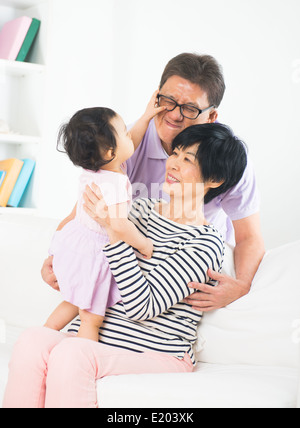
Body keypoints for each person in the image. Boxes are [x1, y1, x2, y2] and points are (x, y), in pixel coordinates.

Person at [3, 122, 247, 408]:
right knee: (32, 340)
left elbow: (142, 306)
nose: (174, 164)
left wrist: (116, 233)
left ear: (215, 179)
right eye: (176, 153)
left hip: (157, 353)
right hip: (99, 343)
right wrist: (58, 262)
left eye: (187, 159)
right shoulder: (138, 208)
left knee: (73, 354)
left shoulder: (205, 242)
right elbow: (88, 249)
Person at [41, 53, 265, 312]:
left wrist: (242, 285)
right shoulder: (124, 143)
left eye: (190, 108)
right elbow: (84, 209)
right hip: (132, 262)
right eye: (168, 101)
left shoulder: (226, 158)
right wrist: (54, 256)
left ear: (212, 116)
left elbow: (249, 236)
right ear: (156, 96)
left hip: (186, 265)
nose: (174, 115)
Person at [44, 104, 164, 341]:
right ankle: (83, 357)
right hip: (95, 253)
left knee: (72, 299)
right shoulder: (116, 184)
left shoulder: (94, 170)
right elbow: (118, 225)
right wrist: (144, 245)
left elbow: (132, 142)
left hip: (74, 243)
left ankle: (43, 335)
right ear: (110, 152)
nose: (131, 135)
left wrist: (147, 116)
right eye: (125, 133)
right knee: (91, 317)